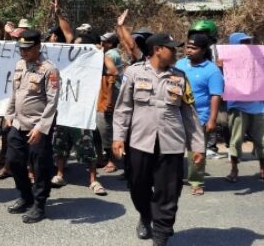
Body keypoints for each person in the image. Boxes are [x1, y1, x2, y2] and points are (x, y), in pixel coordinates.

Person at [113, 33, 205, 246]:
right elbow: (123, 108)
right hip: (139, 141)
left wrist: (197, 146)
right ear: (157, 50)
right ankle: (146, 216)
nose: (176, 52)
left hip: (171, 143)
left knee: (168, 191)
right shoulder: (134, 73)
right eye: (171, 48)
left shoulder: (180, 77)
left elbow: (190, 114)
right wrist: (118, 137)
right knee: (137, 186)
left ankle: (161, 234)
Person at [4, 29, 59, 223]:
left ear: (38, 47)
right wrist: (9, 114)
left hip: (38, 126)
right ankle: (26, 196)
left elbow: (53, 102)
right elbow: (15, 92)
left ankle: (39, 204)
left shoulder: (49, 69)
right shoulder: (20, 65)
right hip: (18, 124)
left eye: (27, 48)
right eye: (21, 48)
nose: (23, 52)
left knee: (40, 167)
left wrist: (41, 128)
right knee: (14, 161)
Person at [51, 32, 107, 196]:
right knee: (60, 145)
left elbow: (111, 70)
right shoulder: (63, 61)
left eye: (80, 47)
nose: (76, 49)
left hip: (82, 113)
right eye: (74, 46)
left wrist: (98, 53)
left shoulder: (94, 63)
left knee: (87, 146)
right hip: (64, 111)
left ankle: (93, 180)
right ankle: (60, 175)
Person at [175, 33, 223, 195]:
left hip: (199, 116)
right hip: (176, 115)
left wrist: (212, 119)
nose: (188, 50)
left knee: (196, 150)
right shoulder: (180, 64)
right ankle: (173, 177)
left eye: (193, 48)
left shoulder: (212, 70)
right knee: (172, 149)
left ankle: (196, 181)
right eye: (187, 47)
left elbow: (216, 95)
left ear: (203, 50)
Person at [224, 32, 264, 183]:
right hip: (238, 107)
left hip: (258, 107)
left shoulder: (259, 59)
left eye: (249, 41)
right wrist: (223, 68)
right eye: (243, 42)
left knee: (262, 141)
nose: (247, 45)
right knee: (236, 140)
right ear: (234, 45)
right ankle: (234, 169)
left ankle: (262, 169)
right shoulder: (227, 62)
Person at [96, 32, 123, 173]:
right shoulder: (109, 53)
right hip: (104, 95)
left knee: (107, 128)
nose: (101, 45)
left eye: (103, 42)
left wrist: (109, 101)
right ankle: (102, 158)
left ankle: (112, 160)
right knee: (101, 127)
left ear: (110, 44)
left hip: (111, 96)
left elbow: (113, 72)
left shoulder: (111, 54)